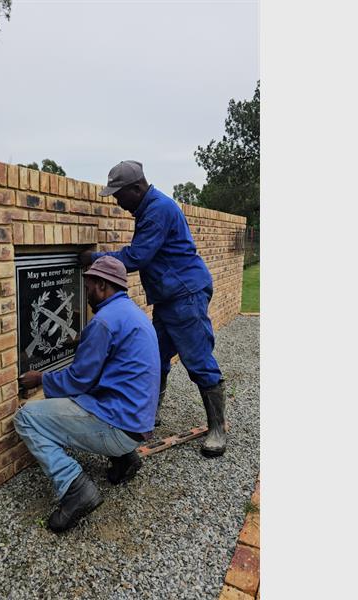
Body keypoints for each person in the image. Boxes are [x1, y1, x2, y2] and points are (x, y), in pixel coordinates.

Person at [79, 160, 227, 458]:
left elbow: (137, 256)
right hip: (169, 297)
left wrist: (95, 258)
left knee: (197, 359)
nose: (118, 203)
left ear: (137, 188)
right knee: (155, 358)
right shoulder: (148, 208)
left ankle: (217, 429)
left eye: (119, 195)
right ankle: (148, 415)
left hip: (185, 295)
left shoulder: (158, 209)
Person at [15, 256, 160, 533]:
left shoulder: (104, 322)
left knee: (26, 418)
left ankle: (75, 488)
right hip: (137, 423)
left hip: (118, 426)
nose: (86, 293)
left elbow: (77, 381)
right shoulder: (131, 313)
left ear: (103, 285)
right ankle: (124, 458)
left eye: (89, 286)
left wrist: (40, 378)